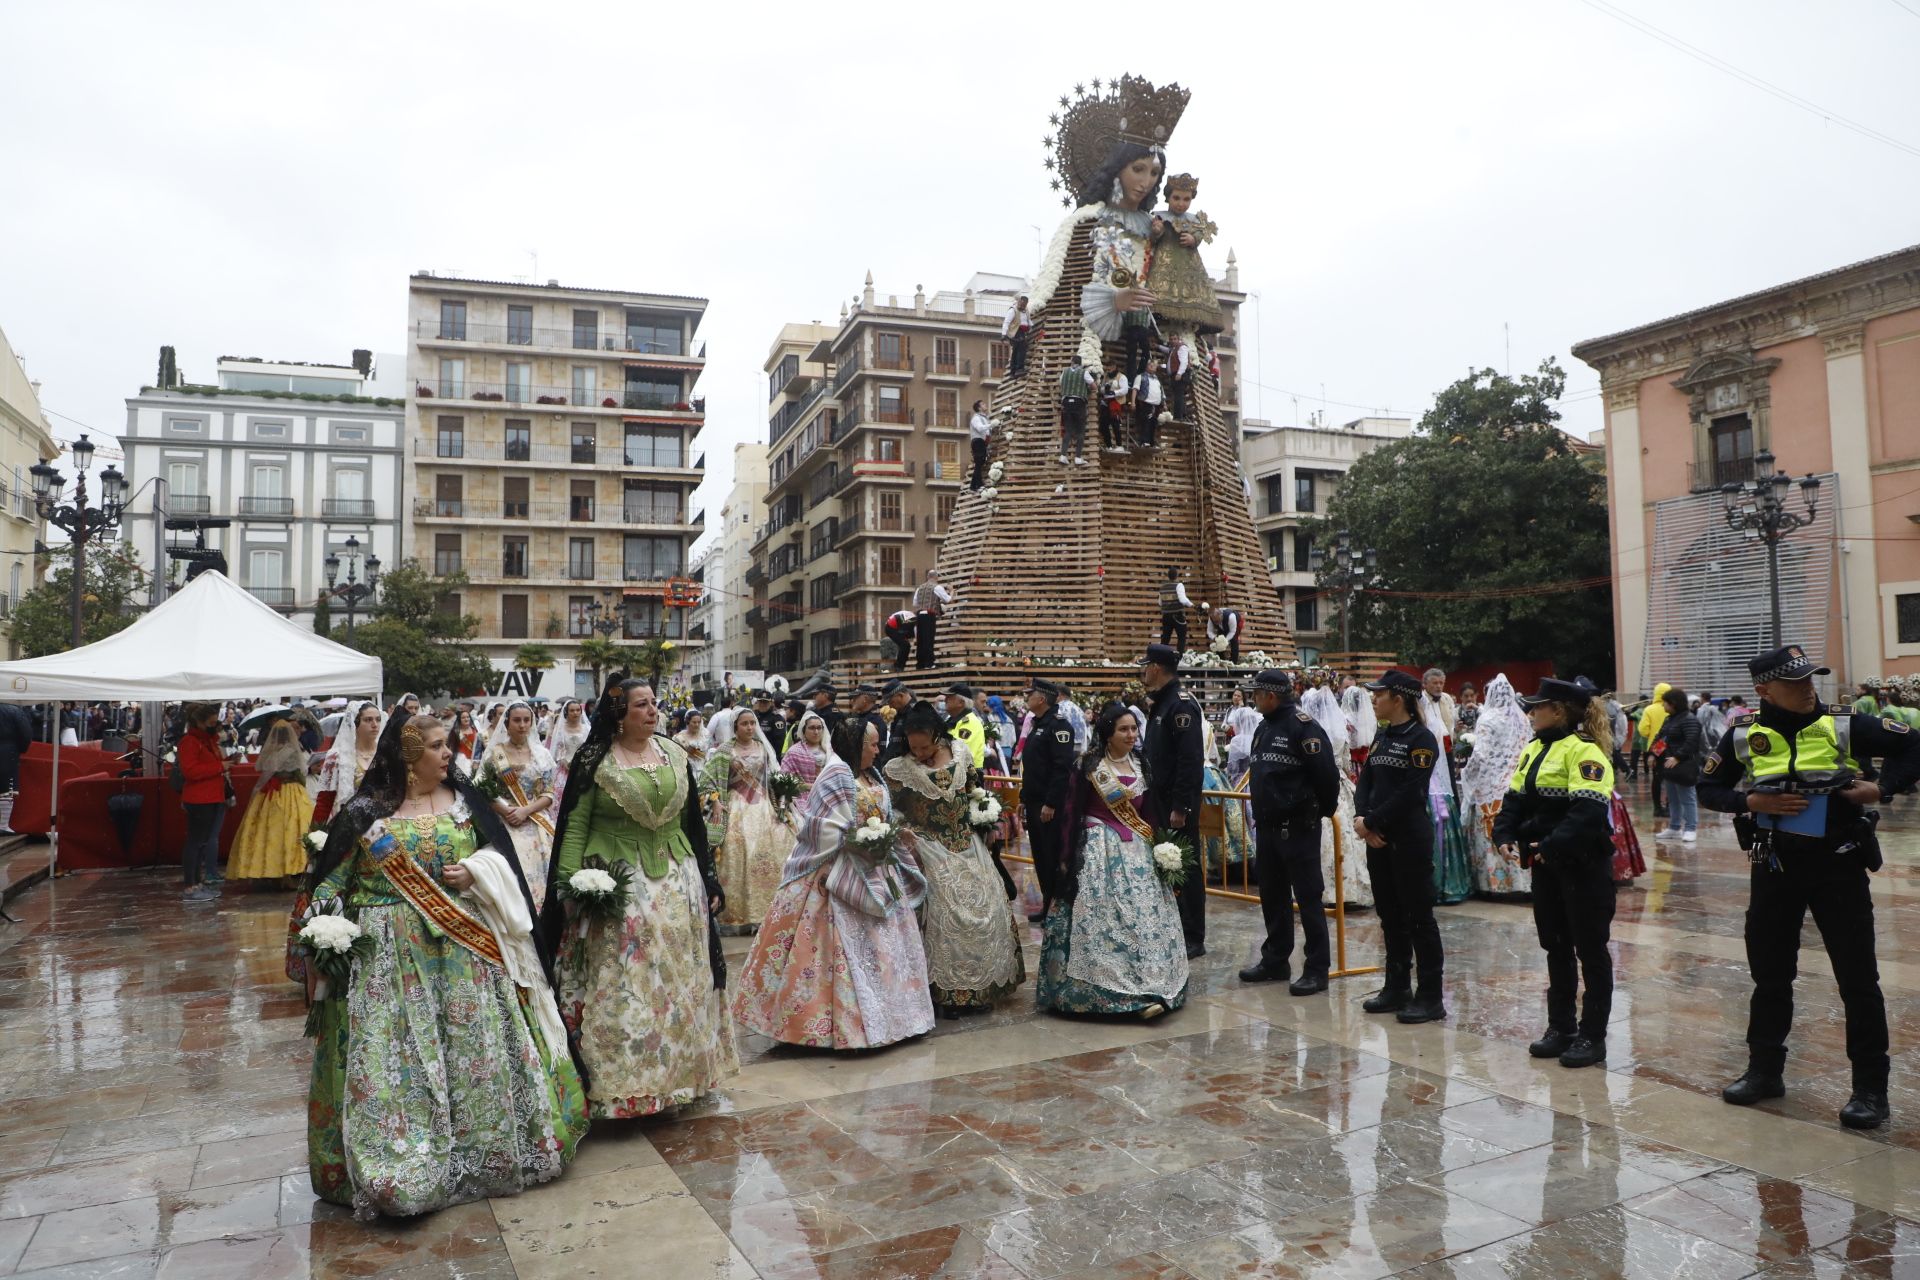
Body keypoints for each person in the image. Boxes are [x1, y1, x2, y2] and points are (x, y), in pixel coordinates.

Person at [304, 711, 586, 1217]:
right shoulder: (366, 814)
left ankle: (484, 1150)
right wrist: (326, 927)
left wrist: (476, 873)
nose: (447, 754)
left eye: (446, 745)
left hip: (466, 953)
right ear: (410, 757)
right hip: (389, 958)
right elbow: (330, 882)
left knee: (470, 1047)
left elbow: (501, 859)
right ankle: (401, 1162)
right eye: (437, 746)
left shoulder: (465, 804)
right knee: (401, 1056)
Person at [1700, 645, 1920, 1130]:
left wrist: (1882, 789)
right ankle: (1763, 1072)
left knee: (1858, 980)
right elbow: (1707, 789)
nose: (1807, 689)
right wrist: (1748, 800)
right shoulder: (1742, 734)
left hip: (1838, 866)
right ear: (1764, 691)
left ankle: (1869, 1090)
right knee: (1770, 975)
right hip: (1774, 866)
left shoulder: (1843, 724)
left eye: (1810, 679)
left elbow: (1914, 745)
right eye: (1795, 682)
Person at [541, 677, 736, 1119]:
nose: (652, 712)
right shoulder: (595, 760)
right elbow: (574, 825)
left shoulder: (673, 753)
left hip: (677, 884)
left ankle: (678, 1079)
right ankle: (626, 1087)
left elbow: (693, 824)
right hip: (620, 887)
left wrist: (709, 880)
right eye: (641, 706)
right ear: (618, 713)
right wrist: (569, 884)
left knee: (680, 982)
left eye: (654, 704)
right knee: (629, 983)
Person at [732, 716, 935, 1048]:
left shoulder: (871, 774)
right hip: (835, 872)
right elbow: (818, 825)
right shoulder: (836, 773)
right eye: (871, 743)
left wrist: (892, 831)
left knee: (886, 951)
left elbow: (878, 814)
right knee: (826, 956)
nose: (877, 748)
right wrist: (853, 843)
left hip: (876, 869)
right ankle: (832, 1028)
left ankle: (895, 1018)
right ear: (855, 744)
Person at [1494, 676, 1617, 1069]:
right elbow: (1514, 797)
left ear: (1559, 711)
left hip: (1582, 865)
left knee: (1590, 950)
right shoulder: (1534, 749)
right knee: (1556, 946)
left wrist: (1550, 846)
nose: (1530, 713)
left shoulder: (1585, 752)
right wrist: (1504, 833)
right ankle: (1560, 1027)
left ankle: (1591, 1036)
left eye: (1537, 706)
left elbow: (1588, 811)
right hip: (1546, 866)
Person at [1037, 702, 1190, 1017]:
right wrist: (1067, 856)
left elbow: (1149, 812)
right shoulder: (1089, 766)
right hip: (1097, 849)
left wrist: (1162, 848)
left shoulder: (1140, 763)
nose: (1131, 734)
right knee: (1102, 917)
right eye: (1124, 729)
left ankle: (1154, 984)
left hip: (1138, 848)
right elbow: (1070, 812)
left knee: (1145, 920)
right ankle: (1106, 992)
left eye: (1134, 728)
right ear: (1108, 733)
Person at [885, 701, 1024, 1016]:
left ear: (937, 734)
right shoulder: (899, 769)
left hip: (968, 844)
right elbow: (891, 809)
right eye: (913, 746)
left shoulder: (960, 753)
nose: (918, 753)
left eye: (924, 746)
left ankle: (982, 985)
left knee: (986, 909)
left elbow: (976, 792)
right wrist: (905, 834)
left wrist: (986, 819)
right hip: (928, 848)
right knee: (944, 915)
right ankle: (945, 991)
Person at [1237, 670, 1339, 994]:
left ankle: (1317, 968)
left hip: (1298, 827)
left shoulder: (1303, 726)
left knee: (1308, 898)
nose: (1253, 699)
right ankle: (1275, 960)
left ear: (1271, 695)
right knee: (1272, 895)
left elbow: (1326, 776)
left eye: (1257, 694)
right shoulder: (1264, 726)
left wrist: (1317, 812)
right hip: (1267, 827)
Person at [1353, 670, 1445, 1023]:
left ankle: (1431, 996)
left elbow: (1411, 792)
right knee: (1390, 916)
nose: (1374, 699)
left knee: (1419, 918)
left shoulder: (1422, 739)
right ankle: (1397, 986)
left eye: (1380, 694)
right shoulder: (1382, 736)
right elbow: (1367, 781)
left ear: (1399, 698)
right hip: (1378, 837)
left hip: (1408, 838)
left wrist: (1373, 823)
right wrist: (1363, 819)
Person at [700, 707, 795, 933]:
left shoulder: (763, 748)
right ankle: (737, 915)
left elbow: (773, 778)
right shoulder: (723, 751)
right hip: (735, 807)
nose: (750, 728)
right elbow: (705, 781)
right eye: (745, 724)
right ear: (735, 727)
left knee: (774, 849)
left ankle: (769, 912)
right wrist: (714, 801)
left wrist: (782, 797)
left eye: (753, 723)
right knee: (737, 852)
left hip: (763, 807)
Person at [1140, 643, 1207, 958]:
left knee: (1186, 867)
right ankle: (1177, 924)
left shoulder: (1179, 705)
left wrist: (1181, 805)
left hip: (1175, 804)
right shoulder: (1162, 704)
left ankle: (1193, 934)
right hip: (1159, 801)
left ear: (1156, 668)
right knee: (1169, 864)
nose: (1142, 671)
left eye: (1145, 666)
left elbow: (1190, 760)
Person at [474, 701, 560, 912]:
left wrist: (526, 810)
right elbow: (482, 788)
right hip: (505, 820)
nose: (522, 725)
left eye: (526, 720)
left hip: (537, 821)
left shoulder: (542, 755)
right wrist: (506, 811)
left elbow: (549, 793)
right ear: (507, 723)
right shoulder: (496, 754)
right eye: (517, 720)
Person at [1461, 675, 1533, 898]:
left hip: (1490, 785)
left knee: (1493, 830)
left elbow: (1481, 754)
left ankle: (1496, 884)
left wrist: (1467, 774)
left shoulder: (1488, 717)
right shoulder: (1521, 718)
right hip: (1517, 782)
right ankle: (1524, 880)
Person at [227, 720, 312, 888]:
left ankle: (270, 872)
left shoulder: (272, 751)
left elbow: (264, 772)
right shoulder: (292, 750)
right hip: (292, 792)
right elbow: (302, 772)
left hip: (273, 794)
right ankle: (289, 871)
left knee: (270, 831)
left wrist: (256, 790)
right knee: (291, 830)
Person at [1021, 678, 1076, 924]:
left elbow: (1061, 769)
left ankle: (1058, 910)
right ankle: (1047, 906)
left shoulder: (1059, 726)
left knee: (1053, 857)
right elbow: (1032, 767)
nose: (1026, 697)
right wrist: (1024, 798)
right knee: (1041, 857)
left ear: (1041, 698)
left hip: (1048, 806)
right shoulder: (1038, 724)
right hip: (1034, 802)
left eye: (1029, 694)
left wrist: (1051, 803)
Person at [177, 702, 230, 903]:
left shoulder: (207, 741)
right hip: (199, 799)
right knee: (195, 842)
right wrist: (219, 767)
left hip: (212, 797)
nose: (215, 726)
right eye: (211, 723)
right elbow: (190, 771)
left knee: (201, 842)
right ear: (199, 722)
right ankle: (190, 886)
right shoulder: (190, 742)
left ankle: (197, 883)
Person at [314, 700, 382, 825]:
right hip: (350, 825)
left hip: (383, 825)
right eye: (368, 720)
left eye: (378, 719)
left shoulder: (386, 753)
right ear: (355, 723)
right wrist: (316, 834)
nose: (374, 724)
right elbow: (324, 801)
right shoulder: (337, 757)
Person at [1654, 686, 1704, 845]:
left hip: (1684, 765)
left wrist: (1678, 757)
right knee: (1673, 798)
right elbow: (1662, 737)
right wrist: (1654, 754)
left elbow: (1692, 741)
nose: (1663, 706)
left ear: (1673, 703)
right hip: (1669, 765)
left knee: (1687, 798)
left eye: (1665, 703)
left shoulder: (1689, 719)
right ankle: (1674, 827)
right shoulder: (1670, 719)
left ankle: (1690, 828)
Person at [779, 709, 833, 799]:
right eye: (812, 728)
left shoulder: (829, 750)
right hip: (802, 797)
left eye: (819, 728)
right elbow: (784, 780)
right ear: (804, 730)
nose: (816, 732)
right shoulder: (794, 752)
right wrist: (811, 787)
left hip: (828, 795)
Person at [546, 699, 591, 795]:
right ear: (567, 712)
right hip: (564, 767)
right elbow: (558, 748)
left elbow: (590, 748)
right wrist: (564, 761)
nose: (575, 713)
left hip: (582, 767)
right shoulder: (560, 730)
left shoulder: (587, 729)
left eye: (578, 710)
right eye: (572, 710)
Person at [912, 570, 950, 670]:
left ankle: (920, 664)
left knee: (920, 640)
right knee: (929, 639)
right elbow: (948, 599)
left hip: (919, 615)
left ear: (927, 577)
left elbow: (915, 603)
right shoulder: (937, 587)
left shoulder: (919, 588)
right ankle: (929, 663)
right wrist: (952, 591)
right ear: (936, 577)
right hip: (929, 615)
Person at [1057, 356, 1092, 466]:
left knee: (1068, 430)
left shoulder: (1065, 371)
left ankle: (1063, 456)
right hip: (1079, 403)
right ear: (1080, 363)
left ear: (1072, 362)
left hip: (1066, 402)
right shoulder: (1084, 372)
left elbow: (1061, 383)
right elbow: (1093, 385)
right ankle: (1078, 458)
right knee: (1080, 431)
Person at [944, 683, 986, 763]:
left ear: (961, 703)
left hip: (968, 773)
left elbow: (960, 754)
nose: (945, 700)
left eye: (949, 697)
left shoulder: (970, 723)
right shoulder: (951, 720)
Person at [1133, 357, 1166, 449]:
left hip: (1156, 405)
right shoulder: (1141, 376)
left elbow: (1162, 392)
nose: (1152, 367)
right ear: (1146, 366)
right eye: (1150, 365)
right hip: (1145, 403)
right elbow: (1135, 389)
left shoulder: (1157, 380)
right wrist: (1133, 403)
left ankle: (1151, 442)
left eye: (1154, 366)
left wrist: (1164, 404)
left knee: (1154, 423)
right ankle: (1144, 441)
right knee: (1146, 422)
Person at [1158, 567, 1192, 652]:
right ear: (1177, 576)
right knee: (1181, 637)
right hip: (1178, 616)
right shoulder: (1179, 585)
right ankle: (1179, 658)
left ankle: (1161, 659)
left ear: (1168, 576)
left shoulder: (1162, 587)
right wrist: (1192, 605)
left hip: (1166, 616)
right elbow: (1183, 599)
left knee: (1165, 638)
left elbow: (1160, 603)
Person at [1098, 363, 1130, 453]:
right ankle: (1109, 445)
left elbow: (1125, 390)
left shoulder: (1122, 377)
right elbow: (1101, 389)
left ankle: (1119, 445)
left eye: (1110, 368)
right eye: (1107, 369)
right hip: (1106, 402)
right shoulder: (1105, 377)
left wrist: (1115, 392)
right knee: (1103, 425)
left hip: (1116, 402)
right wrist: (1105, 389)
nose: (1108, 370)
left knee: (1115, 423)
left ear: (1115, 367)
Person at [1422, 668, 1457, 738]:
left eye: (1441, 683)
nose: (1439, 686)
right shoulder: (1421, 700)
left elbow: (1453, 719)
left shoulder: (1447, 698)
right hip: (1429, 741)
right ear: (1425, 684)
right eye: (1435, 683)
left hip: (1448, 740)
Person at [1003, 293, 1032, 377]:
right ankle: (1019, 368)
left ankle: (1013, 371)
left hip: (1022, 331)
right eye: (1022, 304)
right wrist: (1003, 334)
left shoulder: (1026, 310)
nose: (1023, 306)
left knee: (1015, 351)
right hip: (1015, 332)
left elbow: (1028, 321)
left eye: (1024, 305)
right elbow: (1006, 322)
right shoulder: (1013, 310)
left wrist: (1031, 328)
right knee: (1021, 348)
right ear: (1019, 302)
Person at [969, 399, 994, 489]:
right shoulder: (976, 418)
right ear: (979, 408)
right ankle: (978, 485)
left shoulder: (984, 418)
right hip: (978, 441)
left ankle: (972, 486)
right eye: (983, 404)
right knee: (979, 463)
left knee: (980, 463)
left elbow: (987, 432)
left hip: (982, 443)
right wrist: (991, 425)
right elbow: (980, 428)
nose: (985, 405)